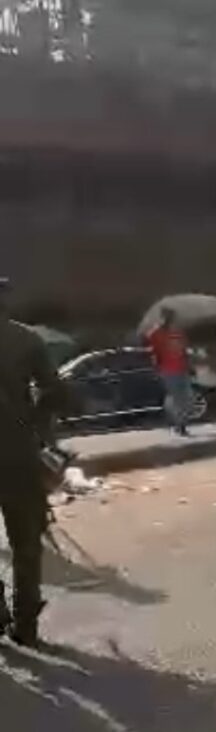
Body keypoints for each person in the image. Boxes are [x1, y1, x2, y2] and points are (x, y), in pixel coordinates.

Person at [0, 277, 66, 647]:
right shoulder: (27, 340)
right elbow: (56, 392)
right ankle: (26, 624)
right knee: (26, 543)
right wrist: (36, 429)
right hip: (19, 454)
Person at [145, 307, 192, 436]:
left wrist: (188, 362)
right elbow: (152, 350)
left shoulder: (178, 332)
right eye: (167, 317)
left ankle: (179, 422)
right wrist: (156, 367)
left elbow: (184, 350)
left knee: (187, 397)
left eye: (172, 317)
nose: (170, 320)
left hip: (182, 368)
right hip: (168, 370)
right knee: (176, 397)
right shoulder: (157, 333)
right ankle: (179, 425)